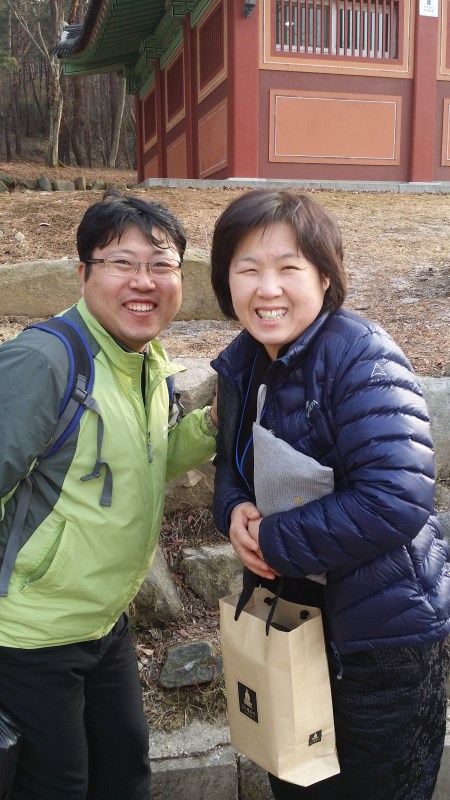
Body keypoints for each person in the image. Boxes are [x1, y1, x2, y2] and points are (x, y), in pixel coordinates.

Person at [210, 189, 450, 800]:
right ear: (226, 281)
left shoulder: (360, 356)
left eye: (288, 267)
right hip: (294, 623)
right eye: (247, 269)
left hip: (379, 637)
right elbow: (232, 461)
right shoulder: (245, 361)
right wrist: (233, 510)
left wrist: (272, 540)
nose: (267, 289)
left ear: (324, 276)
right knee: (296, 780)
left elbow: (395, 498)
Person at [0, 191, 218, 800]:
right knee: (56, 788)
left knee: (124, 775)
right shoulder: (43, 362)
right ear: (83, 274)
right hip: (30, 635)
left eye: (161, 264)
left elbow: (145, 460)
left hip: (103, 623)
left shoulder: (141, 359)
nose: (143, 281)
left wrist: (211, 425)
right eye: (122, 262)